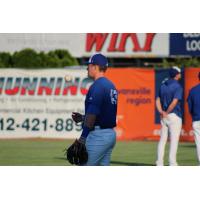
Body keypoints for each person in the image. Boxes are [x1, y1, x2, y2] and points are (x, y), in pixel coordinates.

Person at [71, 53, 118, 166]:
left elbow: (92, 115)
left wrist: (83, 138)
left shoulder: (97, 86)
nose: (87, 68)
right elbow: (104, 114)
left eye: (89, 65)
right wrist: (83, 118)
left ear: (95, 67)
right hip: (110, 134)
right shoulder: (111, 85)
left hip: (98, 136)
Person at [155, 66, 183, 166]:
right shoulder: (177, 86)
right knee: (174, 140)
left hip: (164, 116)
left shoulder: (163, 85)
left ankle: (159, 163)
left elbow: (157, 100)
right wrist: (166, 112)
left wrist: (161, 112)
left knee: (162, 140)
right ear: (176, 75)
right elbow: (174, 102)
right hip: (173, 115)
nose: (180, 74)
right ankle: (172, 163)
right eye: (179, 73)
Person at [187, 72, 200, 164]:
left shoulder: (192, 90)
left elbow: (190, 107)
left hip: (197, 120)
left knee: (199, 144)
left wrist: (194, 116)